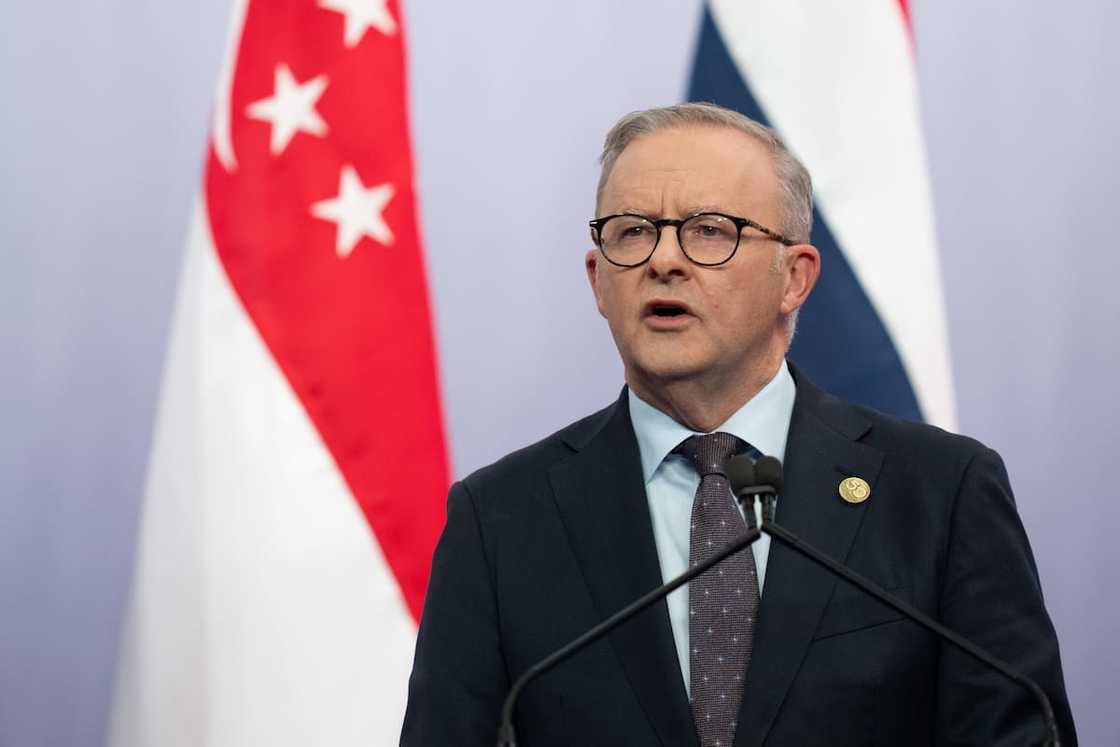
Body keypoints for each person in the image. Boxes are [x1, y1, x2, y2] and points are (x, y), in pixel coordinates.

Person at [400, 103, 1076, 746]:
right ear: (597, 280)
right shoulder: (502, 519)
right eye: (632, 231)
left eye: (710, 230)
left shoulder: (941, 493)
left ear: (795, 278)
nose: (664, 260)